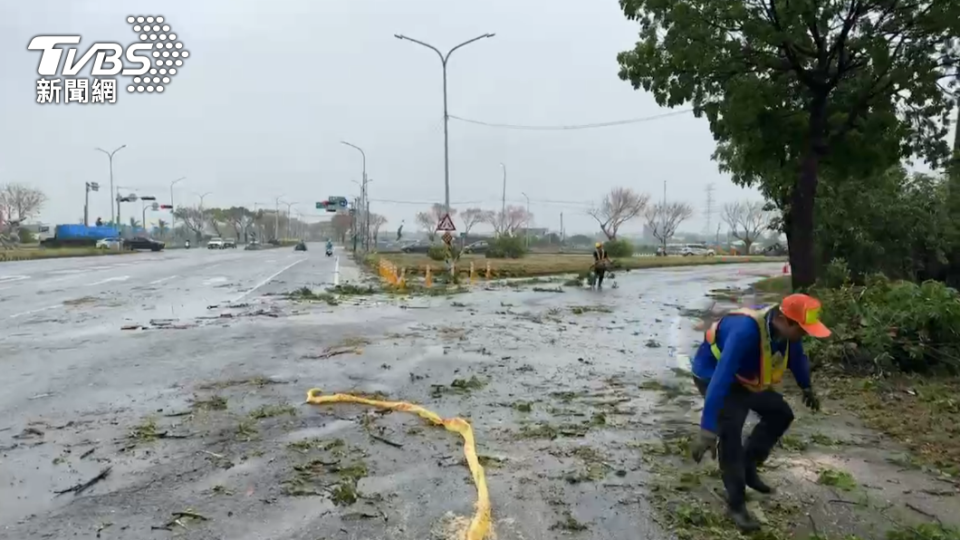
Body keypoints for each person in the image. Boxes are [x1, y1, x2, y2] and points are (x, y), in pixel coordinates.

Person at [689, 294, 830, 532]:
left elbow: (796, 357)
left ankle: (749, 463)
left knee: (781, 413)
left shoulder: (786, 332)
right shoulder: (746, 332)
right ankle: (736, 505)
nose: (805, 335)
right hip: (713, 375)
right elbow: (721, 379)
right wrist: (707, 428)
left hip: (746, 379)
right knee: (730, 432)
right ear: (784, 320)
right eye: (803, 330)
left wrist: (806, 386)